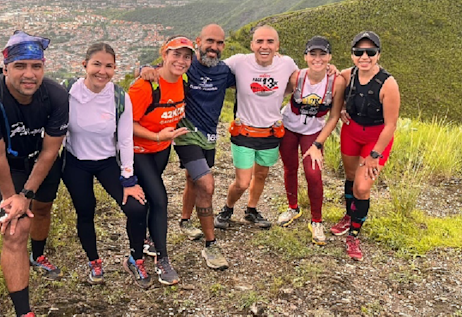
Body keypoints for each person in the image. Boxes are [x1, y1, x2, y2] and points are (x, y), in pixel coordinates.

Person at [0, 31, 69, 317]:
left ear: (44, 67)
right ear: (6, 66)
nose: (29, 74)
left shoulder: (56, 95)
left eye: (36, 66)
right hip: (6, 167)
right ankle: (24, 312)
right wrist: (14, 198)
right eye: (21, 66)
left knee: (43, 208)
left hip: (41, 161)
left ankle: (39, 255)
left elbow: (50, 151)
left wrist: (28, 194)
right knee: (15, 228)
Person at [140, 24, 235, 270]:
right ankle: (211, 244)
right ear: (198, 41)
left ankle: (184, 220)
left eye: (219, 43)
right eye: (209, 41)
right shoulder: (186, 66)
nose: (214, 47)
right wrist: (144, 68)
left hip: (210, 136)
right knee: (206, 183)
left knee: (193, 180)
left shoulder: (225, 72)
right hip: (186, 134)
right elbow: (159, 68)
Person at [61, 43, 150, 288]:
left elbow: (125, 139)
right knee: (86, 210)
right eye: (97, 64)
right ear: (85, 66)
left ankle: (136, 258)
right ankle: (94, 261)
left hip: (107, 162)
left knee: (136, 208)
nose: (102, 71)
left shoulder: (119, 97)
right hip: (76, 162)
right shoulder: (69, 92)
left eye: (109, 66)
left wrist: (129, 179)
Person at [214, 25, 299, 229]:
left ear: (277, 46)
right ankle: (227, 208)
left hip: (271, 132)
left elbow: (304, 80)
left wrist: (329, 70)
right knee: (242, 181)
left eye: (270, 41)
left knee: (261, 175)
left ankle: (251, 210)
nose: (264, 46)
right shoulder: (239, 62)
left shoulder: (286, 63)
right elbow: (210, 69)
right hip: (244, 131)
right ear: (252, 45)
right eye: (259, 41)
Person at [128, 35, 193, 285]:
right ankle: (162, 260)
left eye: (186, 56)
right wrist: (156, 136)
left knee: (149, 198)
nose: (181, 60)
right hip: (139, 151)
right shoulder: (145, 86)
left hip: (161, 148)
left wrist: (161, 139)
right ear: (163, 55)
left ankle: (146, 239)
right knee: (159, 199)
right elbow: (126, 124)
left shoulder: (183, 81)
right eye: (175, 54)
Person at [330, 31, 400, 261]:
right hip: (351, 132)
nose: (364, 56)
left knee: (362, 186)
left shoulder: (388, 84)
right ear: (352, 55)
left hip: (376, 137)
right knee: (350, 176)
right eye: (359, 52)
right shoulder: (348, 75)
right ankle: (349, 216)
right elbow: (334, 76)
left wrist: (374, 155)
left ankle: (354, 234)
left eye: (370, 52)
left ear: (378, 54)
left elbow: (391, 125)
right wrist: (340, 109)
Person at [277, 36, 345, 245]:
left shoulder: (336, 81)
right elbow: (275, 91)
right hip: (288, 126)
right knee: (290, 167)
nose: (317, 59)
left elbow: (334, 116)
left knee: (313, 174)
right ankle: (293, 207)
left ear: (329, 57)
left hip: (313, 132)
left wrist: (318, 144)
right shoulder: (297, 77)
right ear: (305, 57)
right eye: (312, 54)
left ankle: (317, 221)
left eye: (322, 54)